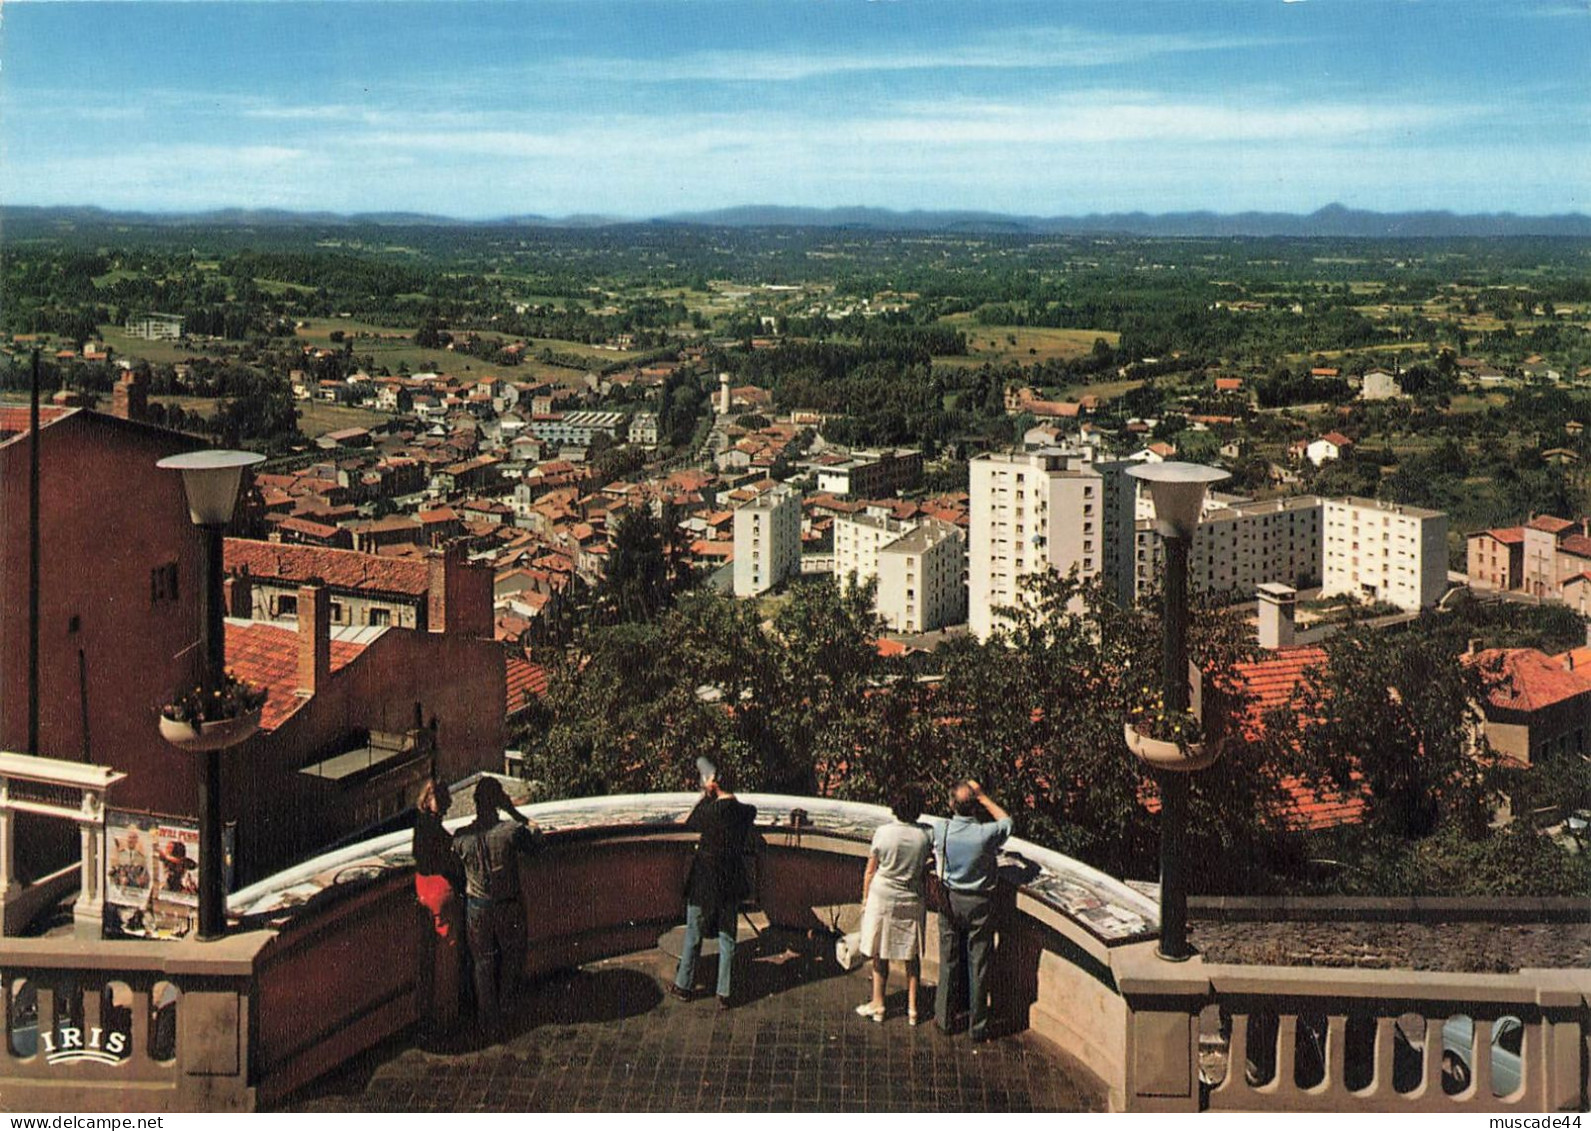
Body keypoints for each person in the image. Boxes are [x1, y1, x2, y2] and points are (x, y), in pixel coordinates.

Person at [452, 777, 542, 1033]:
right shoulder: (511, 831)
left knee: (482, 962)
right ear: (498, 801)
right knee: (512, 956)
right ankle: (507, 1008)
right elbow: (536, 844)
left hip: (477, 906)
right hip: (507, 904)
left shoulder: (461, 838)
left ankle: (487, 1018)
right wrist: (513, 810)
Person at [670, 762, 757, 1009]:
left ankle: (684, 986)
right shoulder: (747, 812)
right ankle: (724, 992)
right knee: (727, 937)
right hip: (731, 883)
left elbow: (691, 821)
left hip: (704, 882)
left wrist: (707, 796)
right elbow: (743, 809)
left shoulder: (708, 812)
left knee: (693, 934)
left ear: (715, 785)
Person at [932, 779, 1012, 1043]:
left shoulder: (941, 829)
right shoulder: (985, 834)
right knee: (979, 962)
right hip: (979, 902)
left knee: (948, 959)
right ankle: (977, 1026)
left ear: (952, 804)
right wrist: (984, 796)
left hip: (949, 899)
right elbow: (1007, 822)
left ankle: (944, 1019)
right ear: (974, 806)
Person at [855, 783, 931, 1025]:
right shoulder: (926, 835)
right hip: (911, 897)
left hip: (883, 896)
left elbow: (870, 871)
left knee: (880, 952)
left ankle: (879, 1004)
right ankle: (912, 1009)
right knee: (911, 954)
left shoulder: (883, 833)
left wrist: (865, 900)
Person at [413, 778, 463, 1039]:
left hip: (423, 890)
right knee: (447, 954)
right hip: (439, 892)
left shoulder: (421, 824)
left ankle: (431, 1014)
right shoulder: (432, 828)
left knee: (428, 957)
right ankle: (446, 1016)